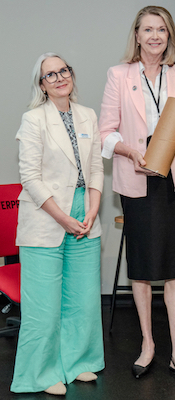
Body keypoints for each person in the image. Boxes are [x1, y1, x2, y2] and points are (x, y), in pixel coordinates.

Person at [99, 5, 175, 389]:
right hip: (138, 179)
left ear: (168, 36)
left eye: (162, 29)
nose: (155, 36)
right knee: (141, 268)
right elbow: (105, 132)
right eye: (148, 29)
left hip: (172, 181)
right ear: (137, 35)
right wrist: (130, 151)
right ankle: (147, 345)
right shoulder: (119, 74)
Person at [11, 53, 104, 396]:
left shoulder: (87, 115)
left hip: (85, 211)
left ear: (71, 74)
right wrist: (63, 218)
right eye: (50, 75)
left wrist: (93, 208)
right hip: (46, 215)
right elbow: (30, 178)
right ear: (42, 84)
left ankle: (78, 361)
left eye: (63, 70)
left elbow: (95, 167)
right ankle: (40, 372)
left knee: (82, 299)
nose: (59, 77)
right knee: (44, 306)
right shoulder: (33, 119)